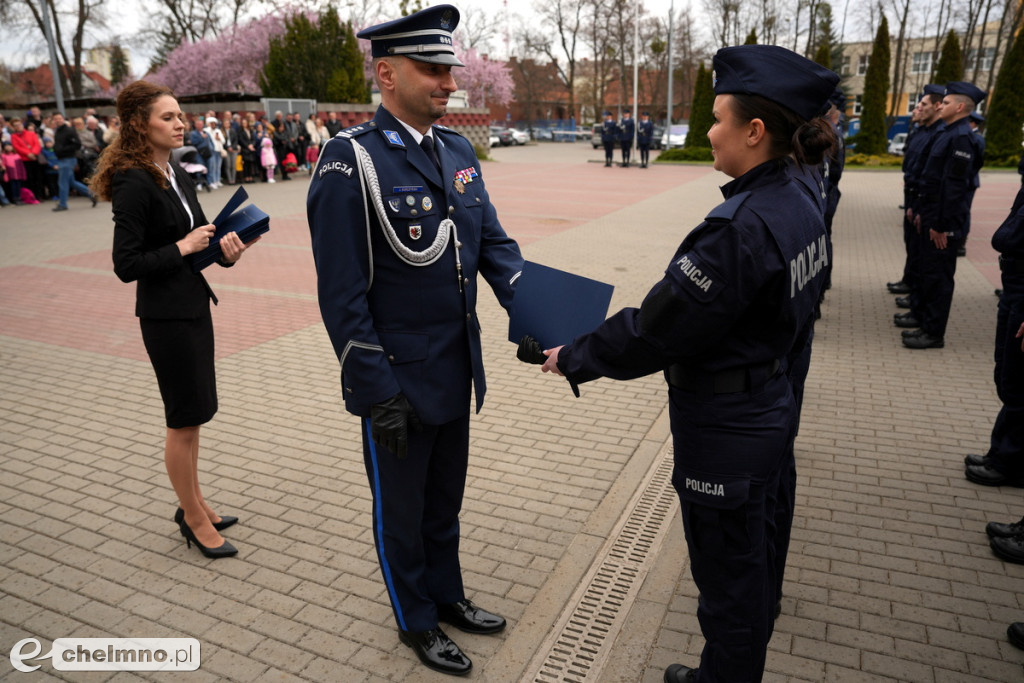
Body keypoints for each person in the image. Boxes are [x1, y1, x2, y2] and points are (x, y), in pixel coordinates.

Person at [525, 44, 837, 682]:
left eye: (719, 118)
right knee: (756, 562)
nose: (708, 129)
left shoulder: (738, 229)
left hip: (726, 430)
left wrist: (576, 355)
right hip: (769, 406)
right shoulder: (803, 195)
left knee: (728, 589)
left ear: (755, 132)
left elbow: (658, 329)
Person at [307, 4, 524, 676]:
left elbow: (493, 245)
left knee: (443, 502)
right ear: (386, 72)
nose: (447, 82)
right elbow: (340, 295)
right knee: (400, 512)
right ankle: (417, 619)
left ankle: (448, 593)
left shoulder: (456, 150)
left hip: (454, 369)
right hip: (396, 380)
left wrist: (543, 317)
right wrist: (375, 391)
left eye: (448, 68)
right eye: (432, 69)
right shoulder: (351, 161)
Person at [94, 80, 259, 559]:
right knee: (183, 421)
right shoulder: (133, 179)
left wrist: (229, 250)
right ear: (138, 125)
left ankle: (197, 501)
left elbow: (201, 240)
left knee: (195, 416)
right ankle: (191, 517)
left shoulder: (176, 170)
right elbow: (127, 264)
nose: (180, 122)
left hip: (193, 305)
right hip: (165, 317)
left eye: (180, 115)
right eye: (168, 117)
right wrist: (181, 247)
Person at [902, 81, 986, 350]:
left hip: (943, 222)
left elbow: (954, 188)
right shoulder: (948, 133)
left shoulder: (961, 138)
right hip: (931, 215)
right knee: (929, 272)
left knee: (939, 278)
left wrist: (940, 225)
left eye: (947, 103)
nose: (941, 106)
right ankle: (925, 321)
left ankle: (933, 332)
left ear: (960, 107)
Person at [962, 181, 1024, 487]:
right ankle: (1001, 451)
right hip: (1014, 284)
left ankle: (1010, 462)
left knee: (1018, 383)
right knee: (1006, 374)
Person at [888, 86, 945, 300]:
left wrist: (919, 207)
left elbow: (931, 176)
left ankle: (915, 293)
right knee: (912, 245)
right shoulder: (921, 131)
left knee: (922, 252)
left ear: (937, 106)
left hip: (924, 200)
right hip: (913, 196)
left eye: (922, 105)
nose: (917, 109)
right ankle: (910, 282)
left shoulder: (938, 134)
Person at [51, 112, 97, 211]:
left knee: (62, 182)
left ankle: (63, 204)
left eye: (59, 118)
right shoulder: (57, 131)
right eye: (55, 119)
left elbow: (77, 144)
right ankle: (91, 193)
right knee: (71, 182)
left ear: (63, 119)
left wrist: (62, 150)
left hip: (68, 159)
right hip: (62, 159)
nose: (57, 120)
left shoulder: (69, 130)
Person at [206, 117, 225, 189]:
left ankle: (217, 180)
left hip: (219, 151)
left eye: (214, 123)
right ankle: (213, 181)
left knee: (218, 166)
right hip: (212, 151)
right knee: (212, 167)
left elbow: (223, 141)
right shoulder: (207, 130)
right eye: (212, 123)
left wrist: (219, 138)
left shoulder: (218, 131)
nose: (213, 125)